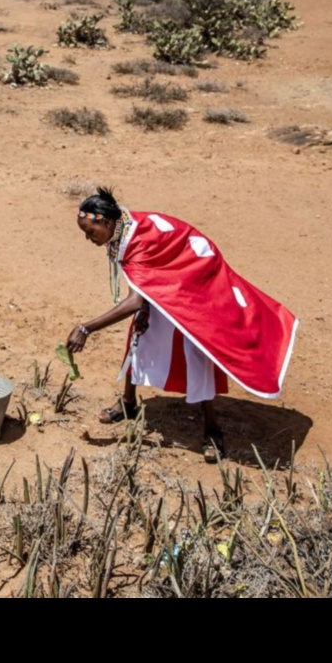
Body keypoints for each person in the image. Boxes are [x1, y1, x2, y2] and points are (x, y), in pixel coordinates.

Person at [65, 187, 298, 463]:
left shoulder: (137, 242)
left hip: (197, 280)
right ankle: (128, 403)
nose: (88, 239)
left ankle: (212, 428)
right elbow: (146, 288)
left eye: (91, 232)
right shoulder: (125, 227)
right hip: (174, 277)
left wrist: (86, 328)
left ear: (106, 222)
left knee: (196, 346)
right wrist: (147, 305)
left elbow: (135, 301)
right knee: (140, 331)